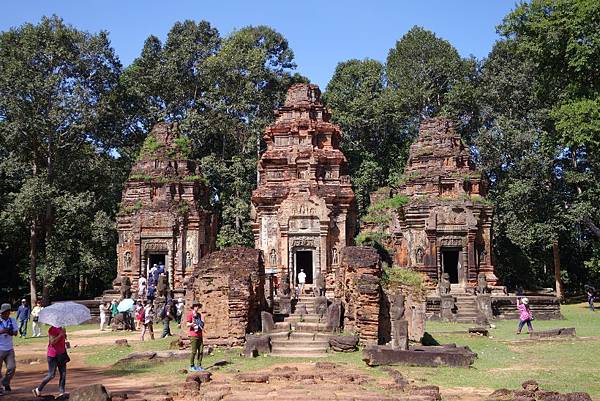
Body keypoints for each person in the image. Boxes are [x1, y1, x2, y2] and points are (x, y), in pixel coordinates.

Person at [32, 326, 69, 398]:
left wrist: (65, 336)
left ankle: (62, 392)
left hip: (62, 354)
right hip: (53, 355)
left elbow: (63, 339)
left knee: (63, 374)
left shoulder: (62, 328)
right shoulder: (52, 329)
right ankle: (38, 389)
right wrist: (61, 335)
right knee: (51, 375)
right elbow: (52, 342)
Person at [0, 303, 18, 395]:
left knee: (12, 367)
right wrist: (2, 331)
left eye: (6, 312)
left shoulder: (12, 320)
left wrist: (11, 331)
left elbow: (16, 332)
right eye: (3, 313)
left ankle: (5, 382)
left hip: (9, 348)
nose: (4, 314)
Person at [186, 302, 204, 371]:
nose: (197, 307)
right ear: (193, 307)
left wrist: (201, 324)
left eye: (198, 306)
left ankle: (199, 365)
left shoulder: (199, 315)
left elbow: (200, 323)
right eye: (195, 306)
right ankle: (192, 365)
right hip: (193, 335)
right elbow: (187, 324)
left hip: (200, 334)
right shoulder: (190, 314)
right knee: (194, 351)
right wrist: (192, 324)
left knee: (201, 351)